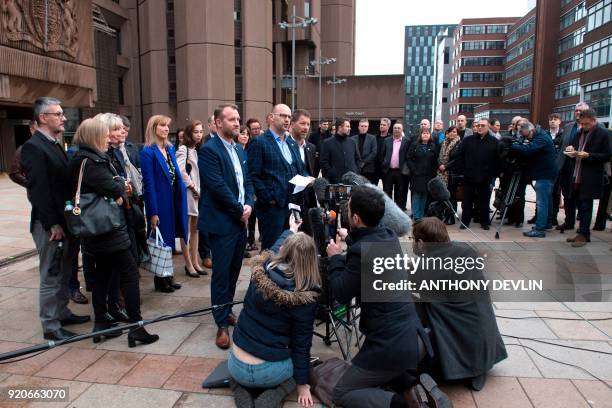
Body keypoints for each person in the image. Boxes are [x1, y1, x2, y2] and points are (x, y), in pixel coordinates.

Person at [326, 186, 448, 408]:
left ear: (355, 218)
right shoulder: (389, 236)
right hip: (414, 337)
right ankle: (417, 387)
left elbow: (341, 292)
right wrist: (349, 238)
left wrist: (335, 258)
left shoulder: (360, 251)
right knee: (379, 374)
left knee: (342, 394)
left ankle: (401, 404)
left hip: (390, 345)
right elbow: (366, 251)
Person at [67, 118, 158, 347]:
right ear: (94, 136)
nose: (109, 138)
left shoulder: (80, 159)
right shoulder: (93, 161)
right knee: (129, 273)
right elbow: (116, 188)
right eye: (105, 134)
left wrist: (118, 189)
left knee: (103, 275)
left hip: (95, 230)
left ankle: (101, 325)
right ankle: (136, 327)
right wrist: (120, 187)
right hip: (108, 228)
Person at [229, 216, 318, 408]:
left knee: (243, 374)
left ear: (284, 251)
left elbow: (275, 248)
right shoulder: (305, 298)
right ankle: (277, 393)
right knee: (303, 366)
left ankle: (239, 388)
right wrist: (302, 385)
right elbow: (301, 346)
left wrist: (291, 230)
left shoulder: (260, 272)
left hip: (235, 363)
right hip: (268, 371)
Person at [21, 97, 90, 341]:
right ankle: (51, 325)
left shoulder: (53, 143)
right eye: (58, 114)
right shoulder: (33, 147)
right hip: (50, 225)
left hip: (64, 222)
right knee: (51, 275)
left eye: (62, 113)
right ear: (43, 118)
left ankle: (62, 312)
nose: (63, 118)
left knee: (64, 271)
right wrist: (52, 224)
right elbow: (38, 191)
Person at [411, 217, 507, 391]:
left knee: (410, 305)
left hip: (467, 345)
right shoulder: (464, 250)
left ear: (420, 242)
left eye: (413, 240)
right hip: (486, 346)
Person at [198, 104, 254, 349]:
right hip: (223, 222)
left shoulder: (240, 150)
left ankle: (228, 310)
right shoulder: (209, 150)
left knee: (233, 271)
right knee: (221, 274)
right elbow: (217, 186)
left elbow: (247, 181)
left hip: (240, 220)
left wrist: (250, 203)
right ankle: (221, 323)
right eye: (231, 119)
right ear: (218, 123)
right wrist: (239, 210)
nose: (237, 123)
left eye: (238, 119)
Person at [248, 104, 312, 250]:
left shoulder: (291, 143)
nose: (287, 119)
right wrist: (268, 198)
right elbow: (253, 175)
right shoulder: (260, 142)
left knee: (290, 250)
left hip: (292, 206)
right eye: (283, 115)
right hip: (272, 209)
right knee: (272, 251)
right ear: (271, 117)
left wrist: (308, 178)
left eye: (289, 117)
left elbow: (300, 169)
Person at [140, 115, 189, 292]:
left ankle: (168, 277)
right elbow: (149, 184)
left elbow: (176, 176)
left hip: (174, 201)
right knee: (161, 242)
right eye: (162, 126)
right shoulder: (147, 152)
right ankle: (160, 280)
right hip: (160, 203)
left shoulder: (169, 149)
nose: (167, 129)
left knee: (169, 241)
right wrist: (153, 212)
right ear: (154, 128)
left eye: (167, 126)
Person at [564, 109, 612, 246]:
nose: (584, 126)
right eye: (582, 124)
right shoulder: (579, 133)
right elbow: (574, 146)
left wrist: (589, 155)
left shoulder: (603, 133)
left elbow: (607, 155)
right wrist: (571, 151)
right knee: (580, 204)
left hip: (591, 175)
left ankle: (584, 234)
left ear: (594, 120)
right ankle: (582, 232)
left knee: (586, 204)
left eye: (587, 124)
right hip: (577, 173)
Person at [509, 122, 558, 238]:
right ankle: (546, 224)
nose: (527, 139)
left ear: (531, 131)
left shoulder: (541, 138)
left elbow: (528, 150)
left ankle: (540, 229)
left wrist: (513, 146)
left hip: (545, 174)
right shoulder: (540, 135)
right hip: (547, 173)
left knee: (542, 202)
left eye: (527, 136)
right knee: (547, 201)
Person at [457, 118, 500, 230]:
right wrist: (464, 170)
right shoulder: (468, 140)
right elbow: (460, 156)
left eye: (483, 125)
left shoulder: (494, 142)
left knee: (484, 201)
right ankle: (465, 221)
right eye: (478, 125)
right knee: (467, 201)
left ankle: (484, 221)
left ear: (488, 127)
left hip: (485, 177)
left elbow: (498, 160)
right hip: (469, 176)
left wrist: (492, 173)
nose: (480, 127)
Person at [176, 120, 206, 277]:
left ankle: (195, 262)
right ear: (189, 133)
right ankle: (188, 264)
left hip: (198, 192)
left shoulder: (197, 149)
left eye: (201, 132)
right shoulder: (183, 149)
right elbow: (180, 171)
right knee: (186, 230)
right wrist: (193, 187)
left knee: (195, 229)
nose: (199, 135)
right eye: (196, 132)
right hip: (188, 192)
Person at [556, 103, 589, 232]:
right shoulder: (569, 126)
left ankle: (583, 225)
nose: (578, 112)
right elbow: (563, 145)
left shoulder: (593, 128)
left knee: (582, 197)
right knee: (567, 195)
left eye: (581, 110)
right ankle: (569, 221)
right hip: (567, 166)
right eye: (576, 110)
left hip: (583, 167)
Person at [290, 109, 318, 236]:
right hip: (290, 200)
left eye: (308, 124)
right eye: (302, 123)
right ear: (292, 124)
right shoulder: (285, 145)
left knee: (307, 237)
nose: (306, 127)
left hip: (307, 200)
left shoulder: (311, 148)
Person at [407, 128, 439, 220]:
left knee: (424, 195)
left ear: (430, 135)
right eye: (424, 133)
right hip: (417, 175)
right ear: (420, 135)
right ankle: (416, 215)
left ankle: (421, 214)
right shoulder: (414, 145)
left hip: (428, 175)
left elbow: (435, 161)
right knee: (416, 195)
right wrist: (414, 169)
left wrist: (433, 171)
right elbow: (409, 158)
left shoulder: (433, 146)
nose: (425, 135)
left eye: (427, 133)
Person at [321, 117, 362, 183]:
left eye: (349, 126)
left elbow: (358, 159)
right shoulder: (327, 143)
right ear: (340, 128)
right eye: (347, 126)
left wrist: (355, 172)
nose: (350, 128)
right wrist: (332, 173)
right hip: (335, 182)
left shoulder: (352, 142)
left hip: (352, 181)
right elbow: (323, 162)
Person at [381, 122, 410, 211]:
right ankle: (388, 209)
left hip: (401, 171)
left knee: (400, 192)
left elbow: (408, 156)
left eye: (399, 128)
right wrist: (384, 163)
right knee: (387, 191)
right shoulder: (387, 140)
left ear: (402, 130)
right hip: (388, 171)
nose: (397, 129)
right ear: (392, 129)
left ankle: (399, 210)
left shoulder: (407, 141)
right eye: (395, 128)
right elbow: (382, 154)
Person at [438, 126, 462, 224]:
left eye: (454, 132)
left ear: (457, 134)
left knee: (451, 197)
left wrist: (446, 166)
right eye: (450, 132)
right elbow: (438, 156)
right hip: (441, 173)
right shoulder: (443, 143)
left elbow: (457, 160)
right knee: (443, 196)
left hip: (452, 174)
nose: (452, 134)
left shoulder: (459, 144)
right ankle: (443, 215)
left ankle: (451, 218)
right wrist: (440, 165)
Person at [351, 118, 378, 184]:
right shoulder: (352, 139)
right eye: (362, 126)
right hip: (355, 168)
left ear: (368, 127)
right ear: (358, 127)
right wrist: (357, 164)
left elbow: (374, 152)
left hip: (368, 168)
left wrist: (364, 162)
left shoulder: (372, 138)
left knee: (367, 189)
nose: (363, 128)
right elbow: (351, 153)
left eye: (365, 126)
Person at [374, 118, 392, 186]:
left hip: (386, 169)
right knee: (373, 190)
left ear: (388, 126)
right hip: (375, 168)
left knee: (387, 190)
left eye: (384, 125)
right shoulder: (374, 138)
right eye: (381, 124)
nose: (381, 126)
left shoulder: (391, 139)